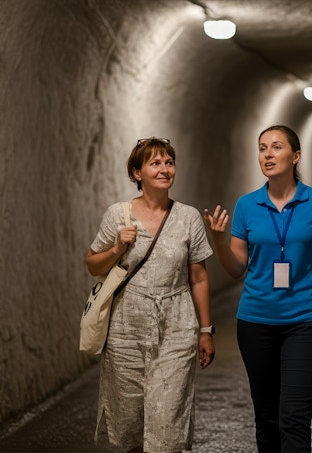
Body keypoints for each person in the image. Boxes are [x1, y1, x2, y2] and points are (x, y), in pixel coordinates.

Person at [203, 125, 312, 453]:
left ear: (296, 156)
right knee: (267, 419)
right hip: (255, 322)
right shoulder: (247, 205)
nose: (267, 154)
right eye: (262, 148)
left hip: (306, 320)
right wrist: (219, 242)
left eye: (276, 147)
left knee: (294, 418)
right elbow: (235, 269)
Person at [86, 137, 215, 453]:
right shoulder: (119, 215)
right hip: (125, 330)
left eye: (169, 162)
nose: (164, 169)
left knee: (167, 419)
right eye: (155, 163)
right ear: (136, 173)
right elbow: (92, 264)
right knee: (129, 425)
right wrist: (118, 247)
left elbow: (198, 277)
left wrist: (206, 330)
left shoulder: (188, 217)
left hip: (176, 325)